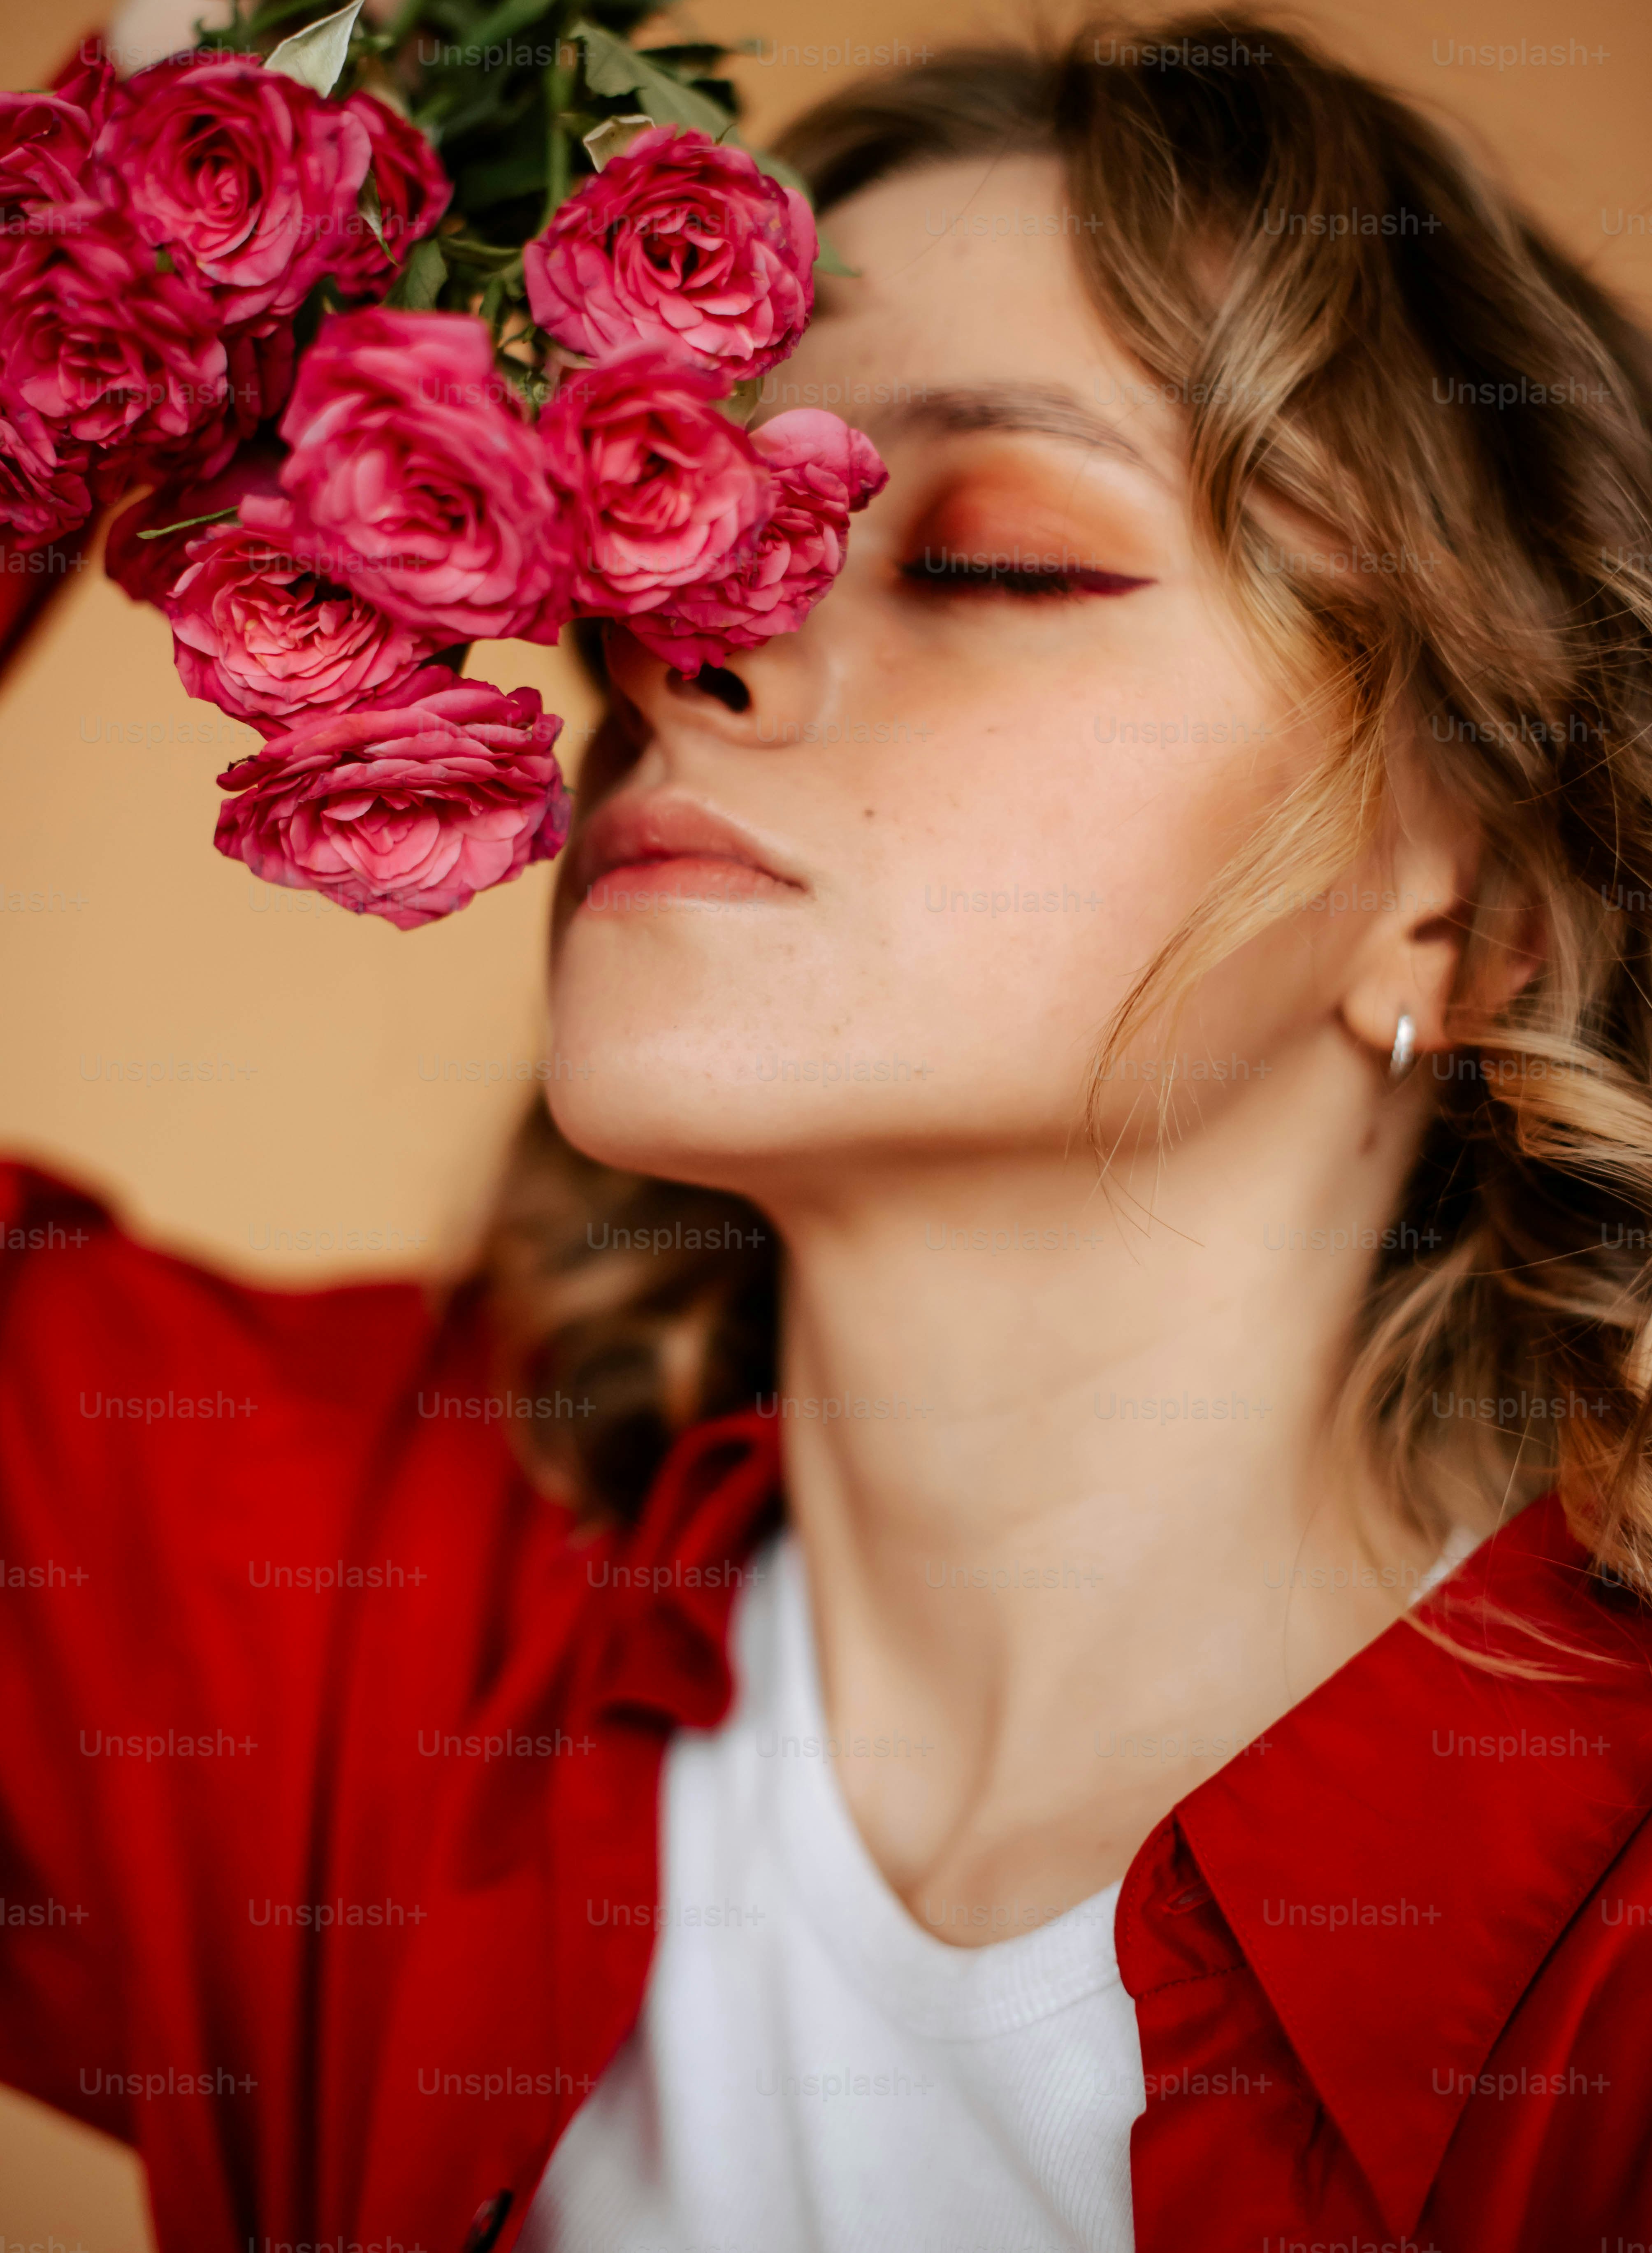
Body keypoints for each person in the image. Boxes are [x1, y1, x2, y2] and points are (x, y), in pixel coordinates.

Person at [6, 17, 1652, 2252]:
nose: (708, 650)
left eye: (988, 559)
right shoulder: (348, 1636)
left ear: (1478, 916)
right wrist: (108, 257)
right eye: (680, 523)